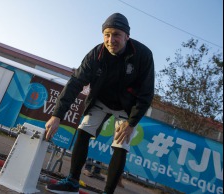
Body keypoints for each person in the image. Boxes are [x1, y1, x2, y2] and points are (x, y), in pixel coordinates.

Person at [45, 13, 154, 194]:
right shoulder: (96, 54)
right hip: (101, 100)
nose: (111, 40)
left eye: (116, 35)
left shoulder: (143, 55)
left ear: (127, 36)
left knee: (121, 144)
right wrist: (57, 115)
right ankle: (72, 181)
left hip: (126, 106)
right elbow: (75, 83)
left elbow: (147, 92)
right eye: (107, 34)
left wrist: (132, 122)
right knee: (84, 129)